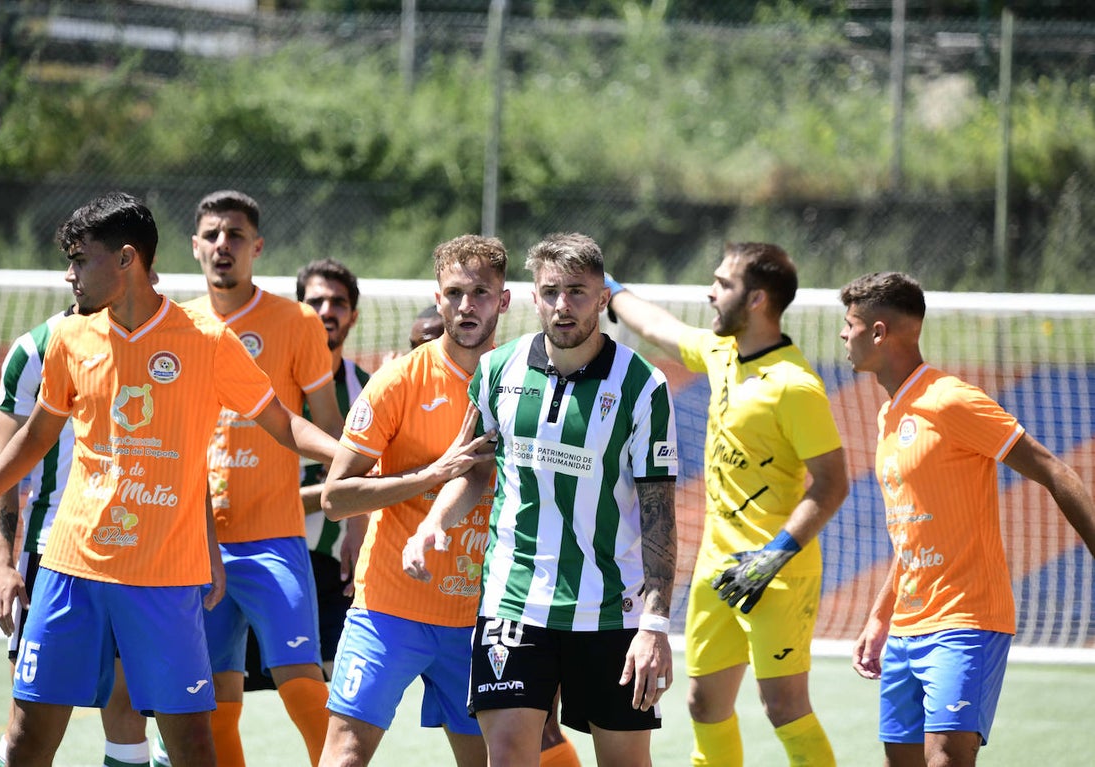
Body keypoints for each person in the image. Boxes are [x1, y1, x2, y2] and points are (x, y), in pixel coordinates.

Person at [0, 191, 339, 767]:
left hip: (164, 582)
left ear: (127, 259)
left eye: (81, 260)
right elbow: (34, 437)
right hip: (71, 569)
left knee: (191, 746)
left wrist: (350, 455)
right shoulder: (70, 339)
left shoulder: (205, 340)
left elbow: (283, 422)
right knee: (28, 739)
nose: (70, 275)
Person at [403, 232, 679, 767]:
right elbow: (473, 467)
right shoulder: (495, 371)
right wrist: (433, 521)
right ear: (534, 297)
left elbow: (660, 515)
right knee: (506, 758)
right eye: (551, 291)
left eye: (578, 291)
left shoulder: (643, 386)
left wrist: (656, 626)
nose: (563, 305)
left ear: (603, 298)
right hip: (514, 601)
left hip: (610, 612)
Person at [605, 242, 849, 767]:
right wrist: (608, 286)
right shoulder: (721, 352)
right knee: (703, 702)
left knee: (783, 706)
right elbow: (659, 327)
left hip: (776, 572)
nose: (710, 292)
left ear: (757, 298)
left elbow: (832, 484)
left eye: (723, 283)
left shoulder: (795, 385)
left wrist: (775, 554)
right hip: (718, 570)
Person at [841, 271, 1095, 767]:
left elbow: (1054, 471)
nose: (842, 337)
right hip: (907, 628)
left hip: (966, 621)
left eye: (848, 325)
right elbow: (911, 531)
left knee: (945, 761)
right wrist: (880, 615)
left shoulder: (951, 399)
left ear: (878, 332)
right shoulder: (887, 415)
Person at [316, 234, 511, 767]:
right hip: (388, 609)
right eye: (454, 293)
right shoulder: (397, 381)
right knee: (345, 756)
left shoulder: (522, 384)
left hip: (479, 618)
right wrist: (433, 475)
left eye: (480, 293)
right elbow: (336, 498)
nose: (466, 306)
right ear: (438, 295)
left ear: (505, 299)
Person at [171, 191, 342, 767]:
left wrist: (360, 523)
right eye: (213, 235)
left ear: (258, 246)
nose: (224, 246)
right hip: (198, 544)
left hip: (274, 539)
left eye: (236, 235)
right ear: (195, 246)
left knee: (303, 689)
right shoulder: (178, 325)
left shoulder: (295, 322)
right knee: (216, 706)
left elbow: (329, 431)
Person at [0, 302, 151, 767]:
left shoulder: (159, 339)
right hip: (52, 556)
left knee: (128, 713)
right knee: (30, 724)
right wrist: (1, 563)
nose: (74, 273)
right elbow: (4, 469)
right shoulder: (34, 350)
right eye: (73, 258)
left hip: (132, 558)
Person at [241, 257, 372, 691]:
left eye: (338, 302)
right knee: (217, 695)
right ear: (298, 309)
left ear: (353, 315)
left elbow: (374, 477)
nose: (326, 311)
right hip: (258, 551)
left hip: (333, 569)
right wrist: (338, 497)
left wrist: (357, 518)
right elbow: (257, 489)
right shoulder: (264, 384)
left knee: (328, 698)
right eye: (315, 300)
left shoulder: (369, 389)